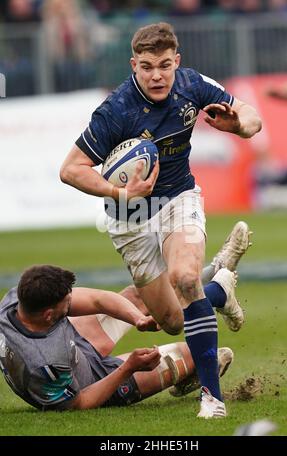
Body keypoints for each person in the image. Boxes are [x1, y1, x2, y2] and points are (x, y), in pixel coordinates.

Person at [60, 22, 261, 418]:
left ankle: (212, 399)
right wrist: (119, 192)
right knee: (169, 321)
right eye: (147, 66)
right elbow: (71, 169)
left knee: (186, 278)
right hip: (129, 216)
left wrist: (237, 125)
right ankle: (219, 286)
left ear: (177, 62)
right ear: (134, 65)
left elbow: (252, 117)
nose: (157, 75)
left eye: (165, 65)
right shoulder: (115, 110)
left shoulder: (192, 84)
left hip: (178, 198)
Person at [0, 264, 234, 412]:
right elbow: (79, 403)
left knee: (137, 299)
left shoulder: (16, 301)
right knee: (195, 355)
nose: (71, 303)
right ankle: (212, 292)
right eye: (66, 304)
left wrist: (137, 319)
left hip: (76, 343)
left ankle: (206, 276)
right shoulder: (46, 364)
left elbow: (97, 300)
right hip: (93, 381)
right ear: (48, 314)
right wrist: (129, 368)